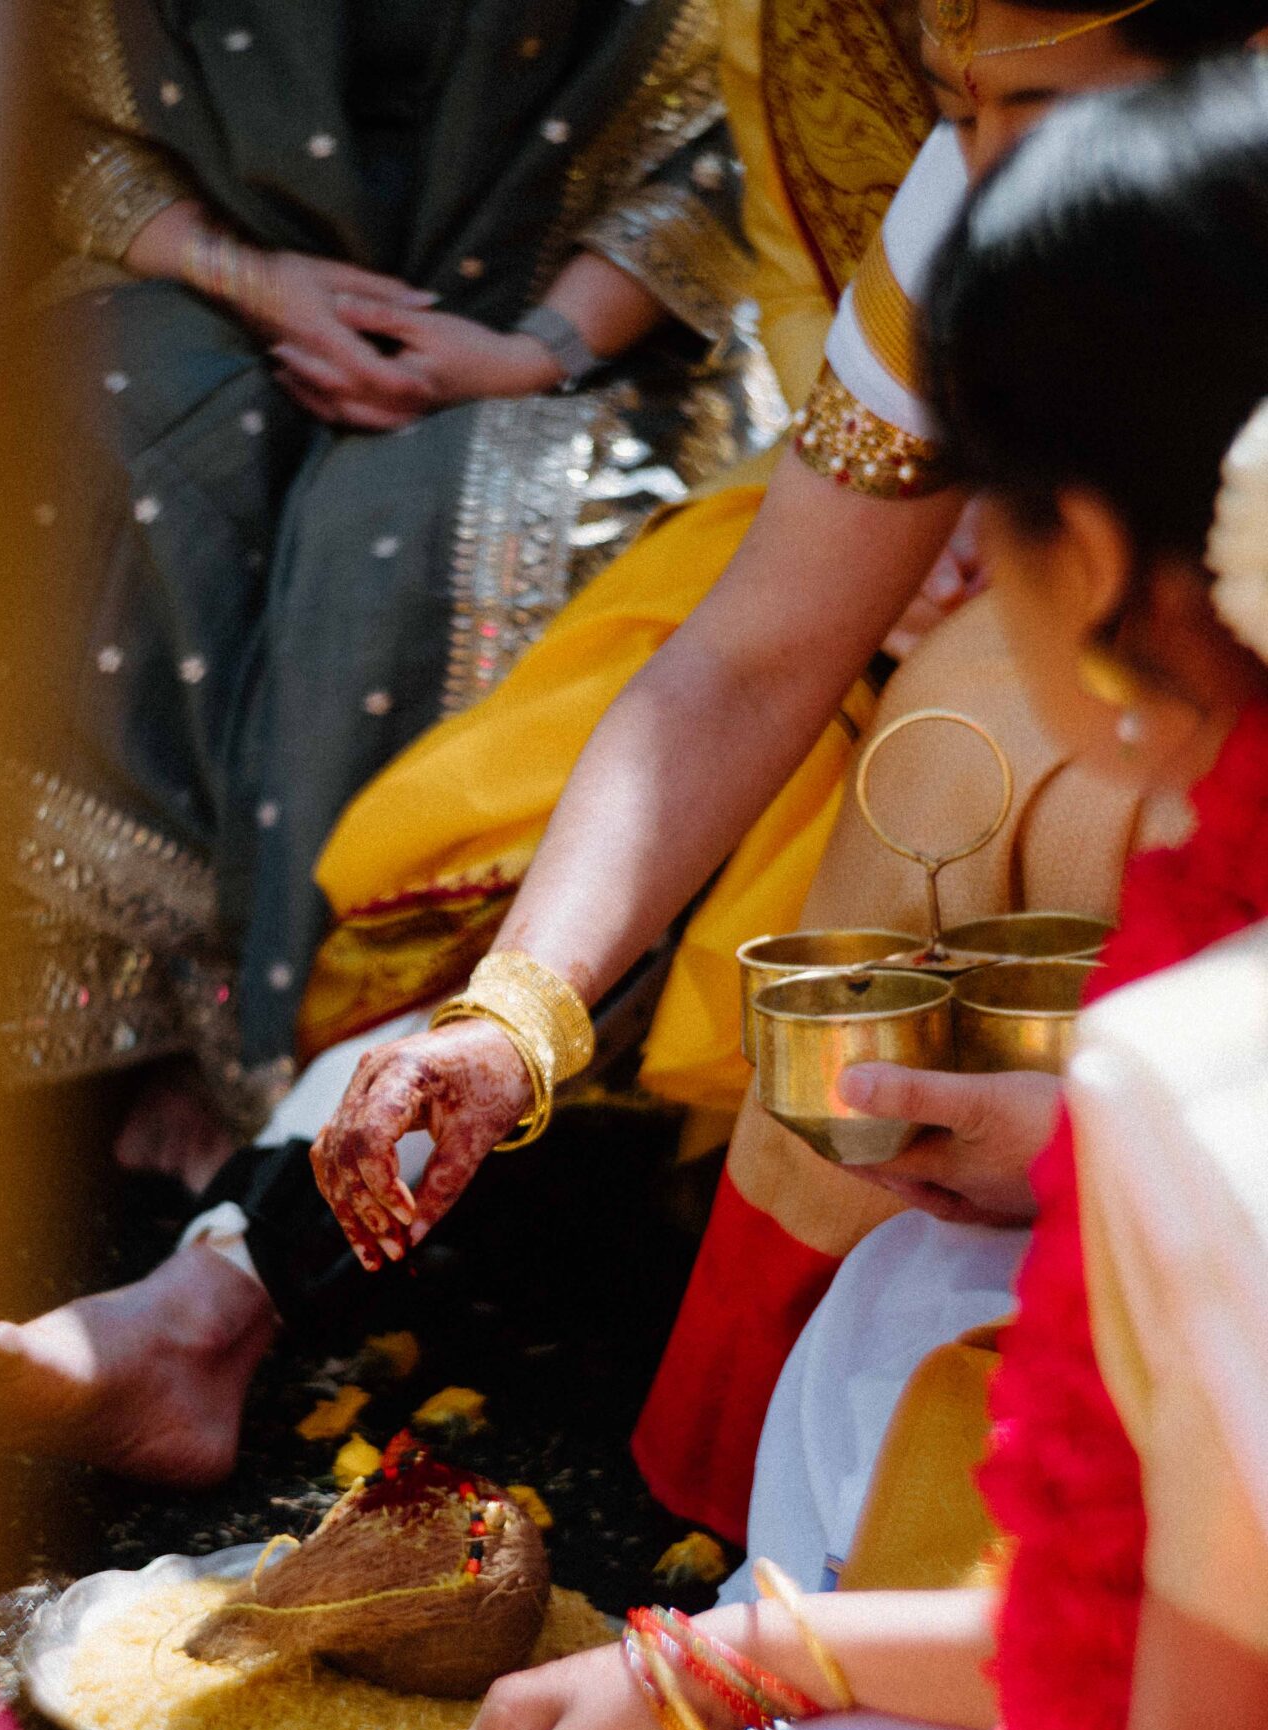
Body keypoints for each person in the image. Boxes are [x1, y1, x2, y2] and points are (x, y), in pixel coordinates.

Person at [375, 55, 1268, 1730]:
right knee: (883, 1321)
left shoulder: (1212, 1087)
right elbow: (753, 644)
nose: (980, 99)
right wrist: (516, 1009)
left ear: (1089, 568)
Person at [313, 0, 1268, 1542]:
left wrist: (1123, 1138)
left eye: (1028, 112)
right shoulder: (982, 198)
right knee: (959, 726)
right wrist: (514, 1019)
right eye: (955, 109)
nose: (968, 176)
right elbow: (753, 654)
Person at [1, 0, 763, 1144]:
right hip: (209, 272)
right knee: (104, 418)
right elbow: (25, 110)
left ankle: (344, 1083)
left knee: (412, 543)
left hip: (567, 330)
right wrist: (244, 273)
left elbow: (737, 134)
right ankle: (184, 1035)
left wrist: (534, 350)